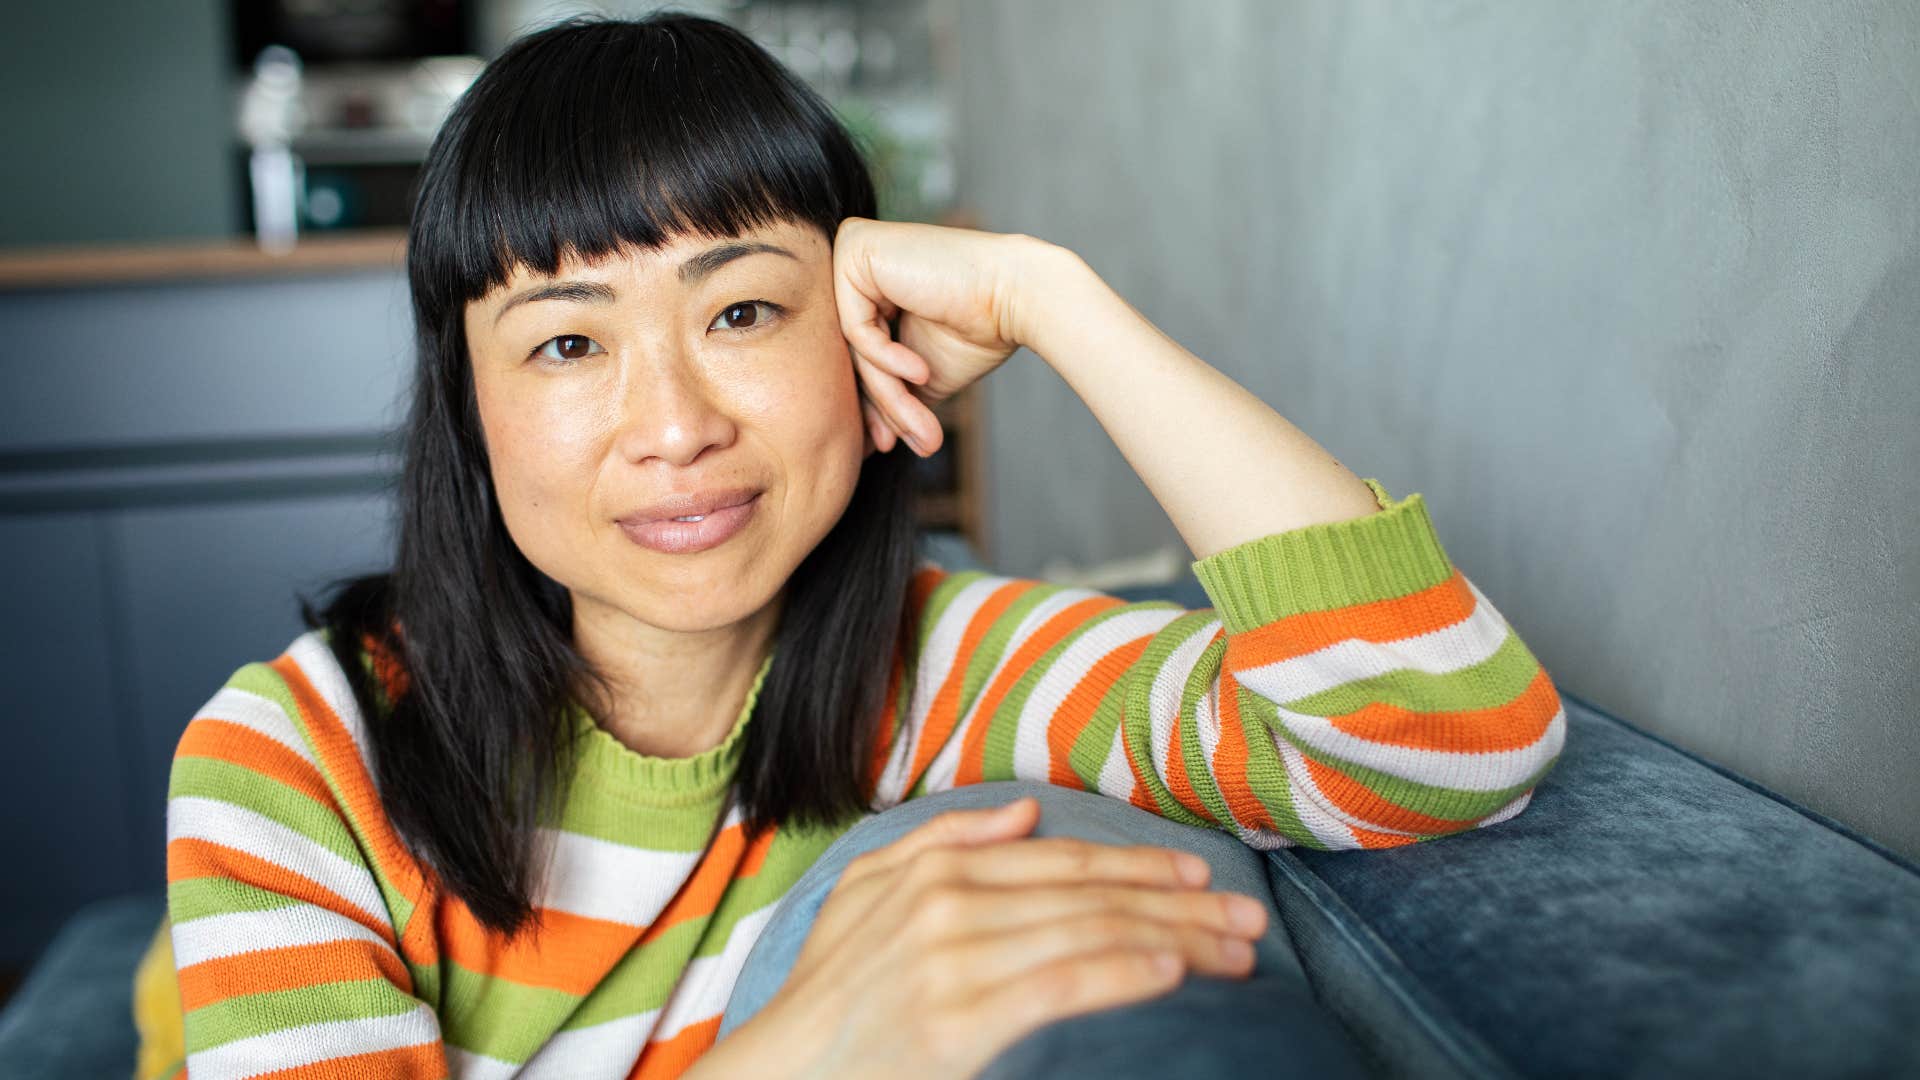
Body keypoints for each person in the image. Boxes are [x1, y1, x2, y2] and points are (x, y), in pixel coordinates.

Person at [130, 12, 1568, 1080]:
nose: (675, 426)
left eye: (744, 312)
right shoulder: (294, 760)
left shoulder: (945, 671)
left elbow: (1445, 738)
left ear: (860, 332)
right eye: (567, 343)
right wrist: (809, 1048)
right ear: (470, 408)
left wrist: (1053, 301)